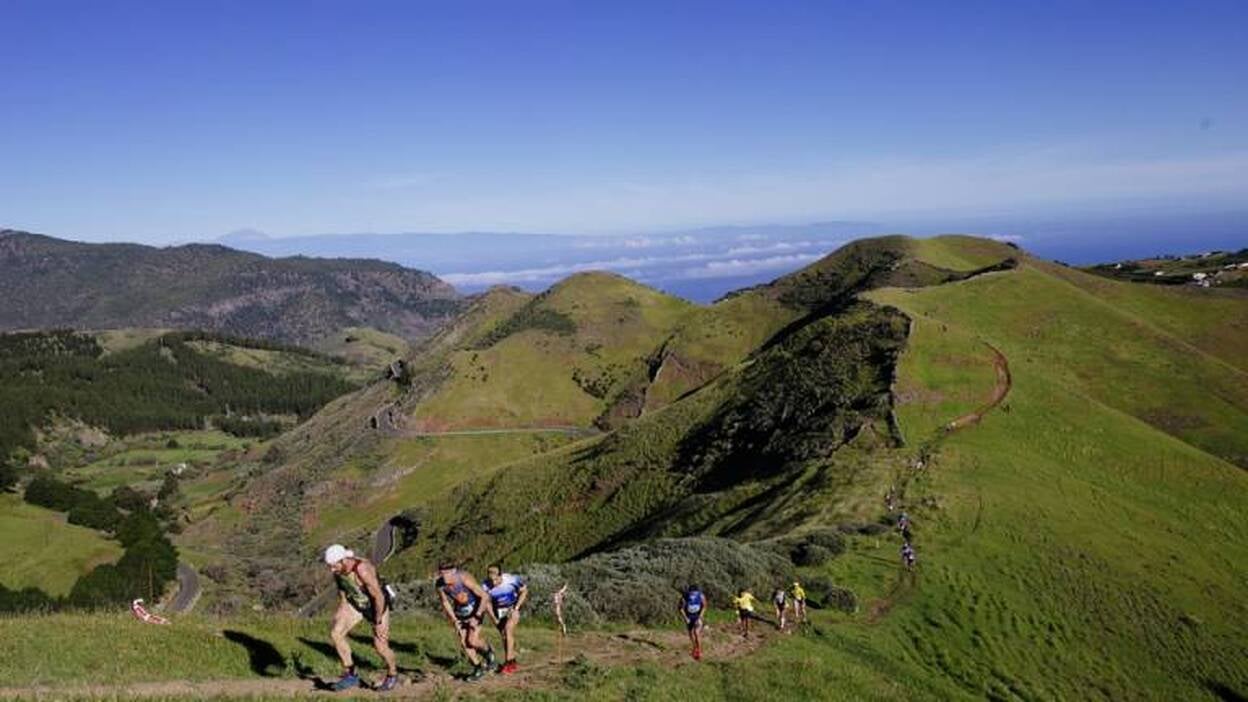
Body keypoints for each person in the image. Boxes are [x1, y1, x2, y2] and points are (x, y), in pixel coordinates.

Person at [324, 544, 398, 692]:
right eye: (330, 566)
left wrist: (377, 621)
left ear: (344, 560)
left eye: (334, 566)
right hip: (357, 603)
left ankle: (392, 674)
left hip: (378, 606)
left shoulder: (362, 569)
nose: (332, 570)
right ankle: (351, 675)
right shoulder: (339, 569)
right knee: (336, 634)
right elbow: (343, 587)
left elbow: (379, 596)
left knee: (380, 646)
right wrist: (343, 606)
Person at [436, 562, 496, 682]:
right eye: (441, 574)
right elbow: (445, 602)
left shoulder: (464, 578)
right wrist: (454, 620)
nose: (444, 577)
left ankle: (488, 651)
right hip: (460, 612)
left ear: (454, 571)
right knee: (464, 642)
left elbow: (484, 596)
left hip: (476, 609)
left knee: (472, 640)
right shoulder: (440, 584)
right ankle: (478, 668)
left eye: (447, 573)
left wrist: (477, 616)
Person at [483, 564, 528, 675]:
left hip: (512, 609)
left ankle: (508, 663)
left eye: (496, 579)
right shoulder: (485, 585)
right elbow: (486, 603)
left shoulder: (511, 580)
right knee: (504, 636)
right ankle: (512, 661)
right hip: (498, 612)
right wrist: (493, 619)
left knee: (508, 630)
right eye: (491, 580)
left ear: (501, 575)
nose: (493, 583)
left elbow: (524, 591)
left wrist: (516, 608)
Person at [679, 584, 707, 660]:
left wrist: (700, 617)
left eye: (695, 593)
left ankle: (699, 650)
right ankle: (694, 647)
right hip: (689, 617)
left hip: (697, 616)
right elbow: (681, 609)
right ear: (689, 592)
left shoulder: (701, 596)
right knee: (691, 634)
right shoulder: (684, 597)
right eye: (692, 593)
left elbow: (704, 606)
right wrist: (685, 618)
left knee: (696, 633)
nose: (693, 595)